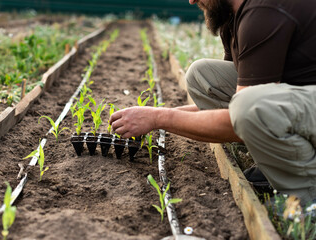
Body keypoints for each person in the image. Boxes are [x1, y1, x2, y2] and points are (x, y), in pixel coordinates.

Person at [109, 0, 316, 206]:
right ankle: (282, 162)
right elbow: (232, 105)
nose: (191, 0)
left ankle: (307, 200)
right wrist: (154, 114)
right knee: (203, 75)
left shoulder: (264, 12)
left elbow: (240, 116)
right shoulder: (233, 17)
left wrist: (159, 118)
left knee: (249, 107)